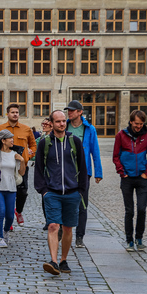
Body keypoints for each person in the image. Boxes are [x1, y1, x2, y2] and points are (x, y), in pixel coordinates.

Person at [34, 110, 87, 275]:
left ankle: (64, 260)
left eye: (64, 121)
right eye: (58, 121)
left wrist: (81, 190)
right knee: (53, 225)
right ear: (51, 123)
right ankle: (54, 261)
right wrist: (43, 191)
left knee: (68, 228)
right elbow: (39, 168)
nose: (62, 124)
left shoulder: (75, 141)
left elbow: (83, 166)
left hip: (72, 192)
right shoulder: (45, 142)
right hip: (52, 192)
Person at [112, 110, 147, 251]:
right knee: (129, 211)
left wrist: (146, 173)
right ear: (131, 121)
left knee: (142, 209)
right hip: (127, 179)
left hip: (142, 178)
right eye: (136, 124)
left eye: (141, 124)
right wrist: (122, 172)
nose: (139, 127)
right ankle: (129, 240)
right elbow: (115, 156)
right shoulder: (121, 135)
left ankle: (139, 237)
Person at [65, 100, 102, 248]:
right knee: (65, 202)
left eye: (72, 110)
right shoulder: (65, 126)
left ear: (80, 112)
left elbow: (95, 151)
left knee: (82, 205)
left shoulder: (89, 129)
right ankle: (63, 230)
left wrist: (98, 172)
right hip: (65, 171)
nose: (69, 112)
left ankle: (80, 236)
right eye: (68, 110)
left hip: (83, 172)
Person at [0, 104, 36, 228]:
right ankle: (8, 217)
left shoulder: (26, 129)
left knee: (22, 191)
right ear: (7, 114)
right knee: (4, 192)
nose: (15, 114)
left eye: (17, 112)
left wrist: (28, 156)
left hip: (21, 166)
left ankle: (19, 211)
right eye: (12, 112)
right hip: (4, 166)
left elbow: (33, 145)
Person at [0, 129, 25, 248]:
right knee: (1, 212)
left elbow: (22, 172)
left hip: (11, 188)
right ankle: (0, 238)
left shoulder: (15, 153)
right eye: (10, 138)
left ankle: (5, 232)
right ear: (3, 141)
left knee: (10, 215)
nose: (12, 140)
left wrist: (22, 160)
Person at [36, 117, 53, 230]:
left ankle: (52, 220)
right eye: (42, 123)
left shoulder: (52, 138)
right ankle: (48, 220)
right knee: (45, 197)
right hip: (44, 172)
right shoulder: (41, 138)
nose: (43, 125)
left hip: (52, 172)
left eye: (45, 123)